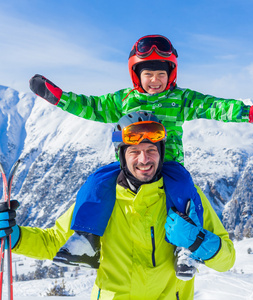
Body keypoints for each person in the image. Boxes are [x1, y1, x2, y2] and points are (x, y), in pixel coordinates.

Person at [28, 34, 253, 264]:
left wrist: (251, 113)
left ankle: (185, 249)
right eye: (148, 74)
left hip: (169, 163)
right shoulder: (123, 100)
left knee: (184, 190)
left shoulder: (181, 99)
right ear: (136, 74)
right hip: (128, 166)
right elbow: (91, 106)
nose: (155, 80)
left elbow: (216, 106)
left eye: (161, 74)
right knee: (97, 181)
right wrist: (59, 97)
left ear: (171, 74)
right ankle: (86, 238)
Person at [0, 112, 235, 299]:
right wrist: (14, 236)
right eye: (135, 152)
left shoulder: (186, 198)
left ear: (161, 153)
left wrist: (197, 240)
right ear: (122, 156)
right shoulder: (100, 198)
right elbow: (54, 241)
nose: (144, 160)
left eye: (151, 150)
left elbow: (228, 259)